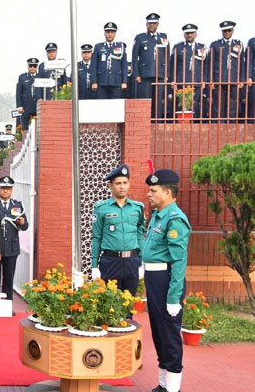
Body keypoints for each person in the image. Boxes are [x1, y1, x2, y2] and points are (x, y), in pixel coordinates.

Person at [142, 169, 191, 392]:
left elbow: (179, 263)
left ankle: (173, 389)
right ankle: (163, 385)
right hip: (155, 280)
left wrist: (173, 298)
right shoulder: (158, 216)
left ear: (168, 193)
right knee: (159, 334)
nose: (149, 194)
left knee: (170, 336)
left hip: (166, 282)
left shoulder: (175, 220)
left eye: (154, 190)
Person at [90, 165, 146, 300]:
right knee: (111, 302)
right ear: (110, 186)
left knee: (129, 301)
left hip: (132, 261)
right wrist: (94, 266)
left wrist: (143, 262)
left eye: (125, 183)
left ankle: (128, 321)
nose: (122, 187)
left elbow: (140, 235)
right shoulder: (101, 208)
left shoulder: (138, 208)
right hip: (111, 261)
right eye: (118, 183)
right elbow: (96, 238)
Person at [0, 176, 28, 301]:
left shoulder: (17, 205)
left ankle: (7, 306)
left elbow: (25, 227)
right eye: (2, 188)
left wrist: (22, 223)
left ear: (12, 190)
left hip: (11, 248)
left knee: (9, 278)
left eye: (8, 188)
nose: (5, 191)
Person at [206, 21, 245, 123]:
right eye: (225, 31)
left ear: (233, 31)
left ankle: (231, 125)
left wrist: (241, 79)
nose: (227, 33)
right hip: (219, 79)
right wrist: (211, 80)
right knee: (218, 105)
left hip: (233, 79)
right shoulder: (215, 45)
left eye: (229, 30)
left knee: (232, 104)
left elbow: (242, 63)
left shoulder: (239, 44)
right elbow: (210, 64)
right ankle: (218, 125)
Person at [132, 13, 169, 118]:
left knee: (158, 102)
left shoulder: (163, 37)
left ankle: (156, 123)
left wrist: (167, 74)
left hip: (160, 74)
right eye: (150, 23)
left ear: (158, 24)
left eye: (154, 23)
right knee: (145, 101)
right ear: (146, 24)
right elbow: (135, 57)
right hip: (145, 74)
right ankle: (145, 122)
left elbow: (167, 57)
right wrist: (136, 74)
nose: (152, 25)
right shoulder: (140, 37)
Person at [170, 24, 207, 121]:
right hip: (181, 82)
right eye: (187, 33)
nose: (189, 35)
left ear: (196, 34)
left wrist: (204, 80)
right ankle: (181, 129)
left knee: (195, 107)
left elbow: (206, 66)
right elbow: (172, 65)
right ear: (184, 35)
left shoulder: (202, 48)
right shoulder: (178, 47)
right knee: (181, 107)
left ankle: (193, 129)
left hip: (197, 82)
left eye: (191, 33)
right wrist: (173, 81)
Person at [91, 22, 128, 99]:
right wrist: (94, 81)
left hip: (116, 81)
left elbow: (124, 65)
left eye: (112, 32)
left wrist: (124, 81)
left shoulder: (120, 46)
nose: (110, 34)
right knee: (102, 105)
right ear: (104, 33)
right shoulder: (98, 47)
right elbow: (93, 65)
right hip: (102, 82)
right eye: (108, 32)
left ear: (115, 34)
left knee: (115, 105)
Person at [16, 57, 41, 132]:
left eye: (34, 66)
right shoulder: (22, 77)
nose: (32, 68)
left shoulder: (40, 77)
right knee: (25, 129)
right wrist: (19, 106)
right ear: (28, 67)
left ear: (37, 67)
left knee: (38, 128)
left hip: (37, 106)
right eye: (30, 66)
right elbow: (18, 93)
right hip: (26, 107)